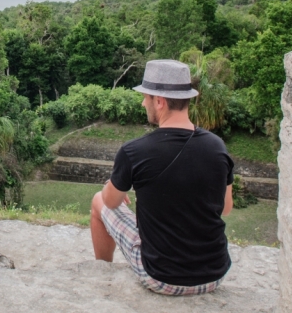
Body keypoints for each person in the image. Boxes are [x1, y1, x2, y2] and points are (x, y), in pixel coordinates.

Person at [90, 59, 234, 296]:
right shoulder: (218, 147)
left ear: (159, 101)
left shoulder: (134, 151)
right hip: (214, 275)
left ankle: (103, 271)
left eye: (146, 97)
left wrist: (113, 186)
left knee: (98, 200)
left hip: (161, 277)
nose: (143, 102)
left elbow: (111, 202)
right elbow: (226, 208)